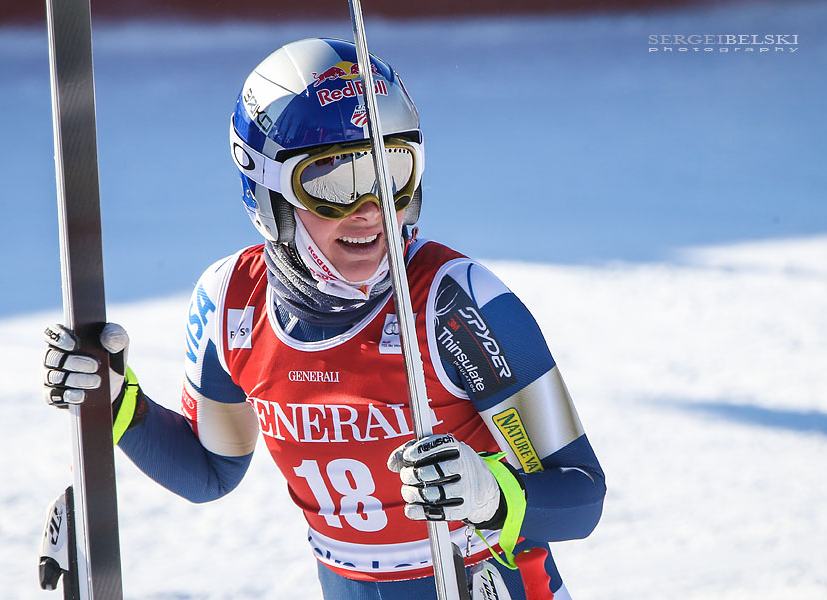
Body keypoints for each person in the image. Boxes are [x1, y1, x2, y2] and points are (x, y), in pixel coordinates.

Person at [42, 38, 606, 600]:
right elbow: (210, 470)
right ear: (267, 194)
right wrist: (116, 402)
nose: (371, 210)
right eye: (333, 183)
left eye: (392, 173)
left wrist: (492, 495)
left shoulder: (454, 303)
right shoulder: (232, 301)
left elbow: (582, 494)